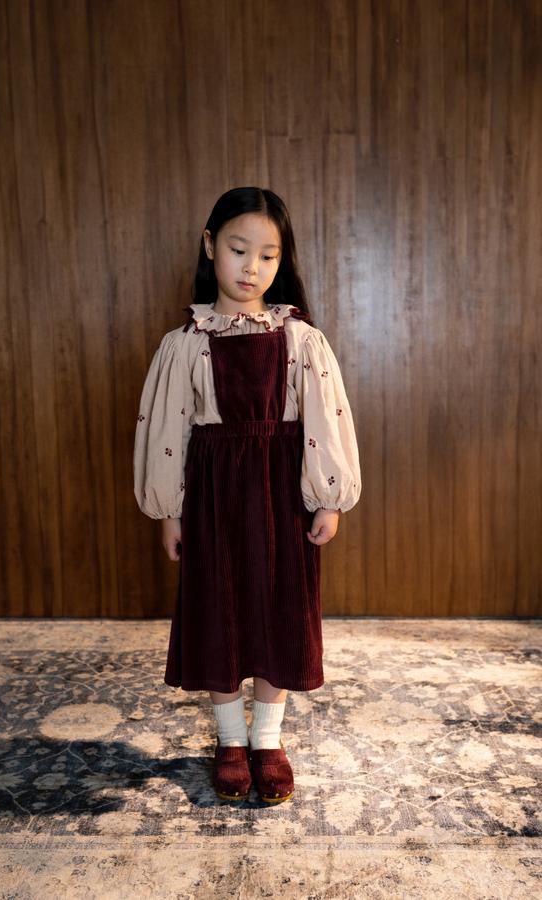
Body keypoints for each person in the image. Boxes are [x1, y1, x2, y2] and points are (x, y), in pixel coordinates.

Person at [133, 186, 361, 804]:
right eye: (238, 250)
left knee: (279, 610)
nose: (251, 267)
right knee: (219, 610)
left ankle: (267, 740)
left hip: (281, 497)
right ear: (210, 246)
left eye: (267, 255)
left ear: (281, 260)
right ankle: (230, 739)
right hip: (213, 501)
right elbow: (168, 433)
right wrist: (170, 512)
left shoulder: (301, 340)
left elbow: (326, 422)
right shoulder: (184, 344)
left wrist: (328, 497)